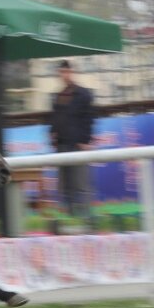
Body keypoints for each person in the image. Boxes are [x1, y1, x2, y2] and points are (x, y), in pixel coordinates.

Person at [47, 60, 97, 226]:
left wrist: (85, 140)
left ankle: (86, 219)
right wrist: (52, 133)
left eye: (66, 72)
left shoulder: (83, 94)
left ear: (72, 72)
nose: (64, 75)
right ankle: (70, 218)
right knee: (65, 185)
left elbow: (89, 118)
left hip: (77, 144)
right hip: (62, 145)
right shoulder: (58, 96)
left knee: (81, 183)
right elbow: (54, 119)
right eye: (61, 72)